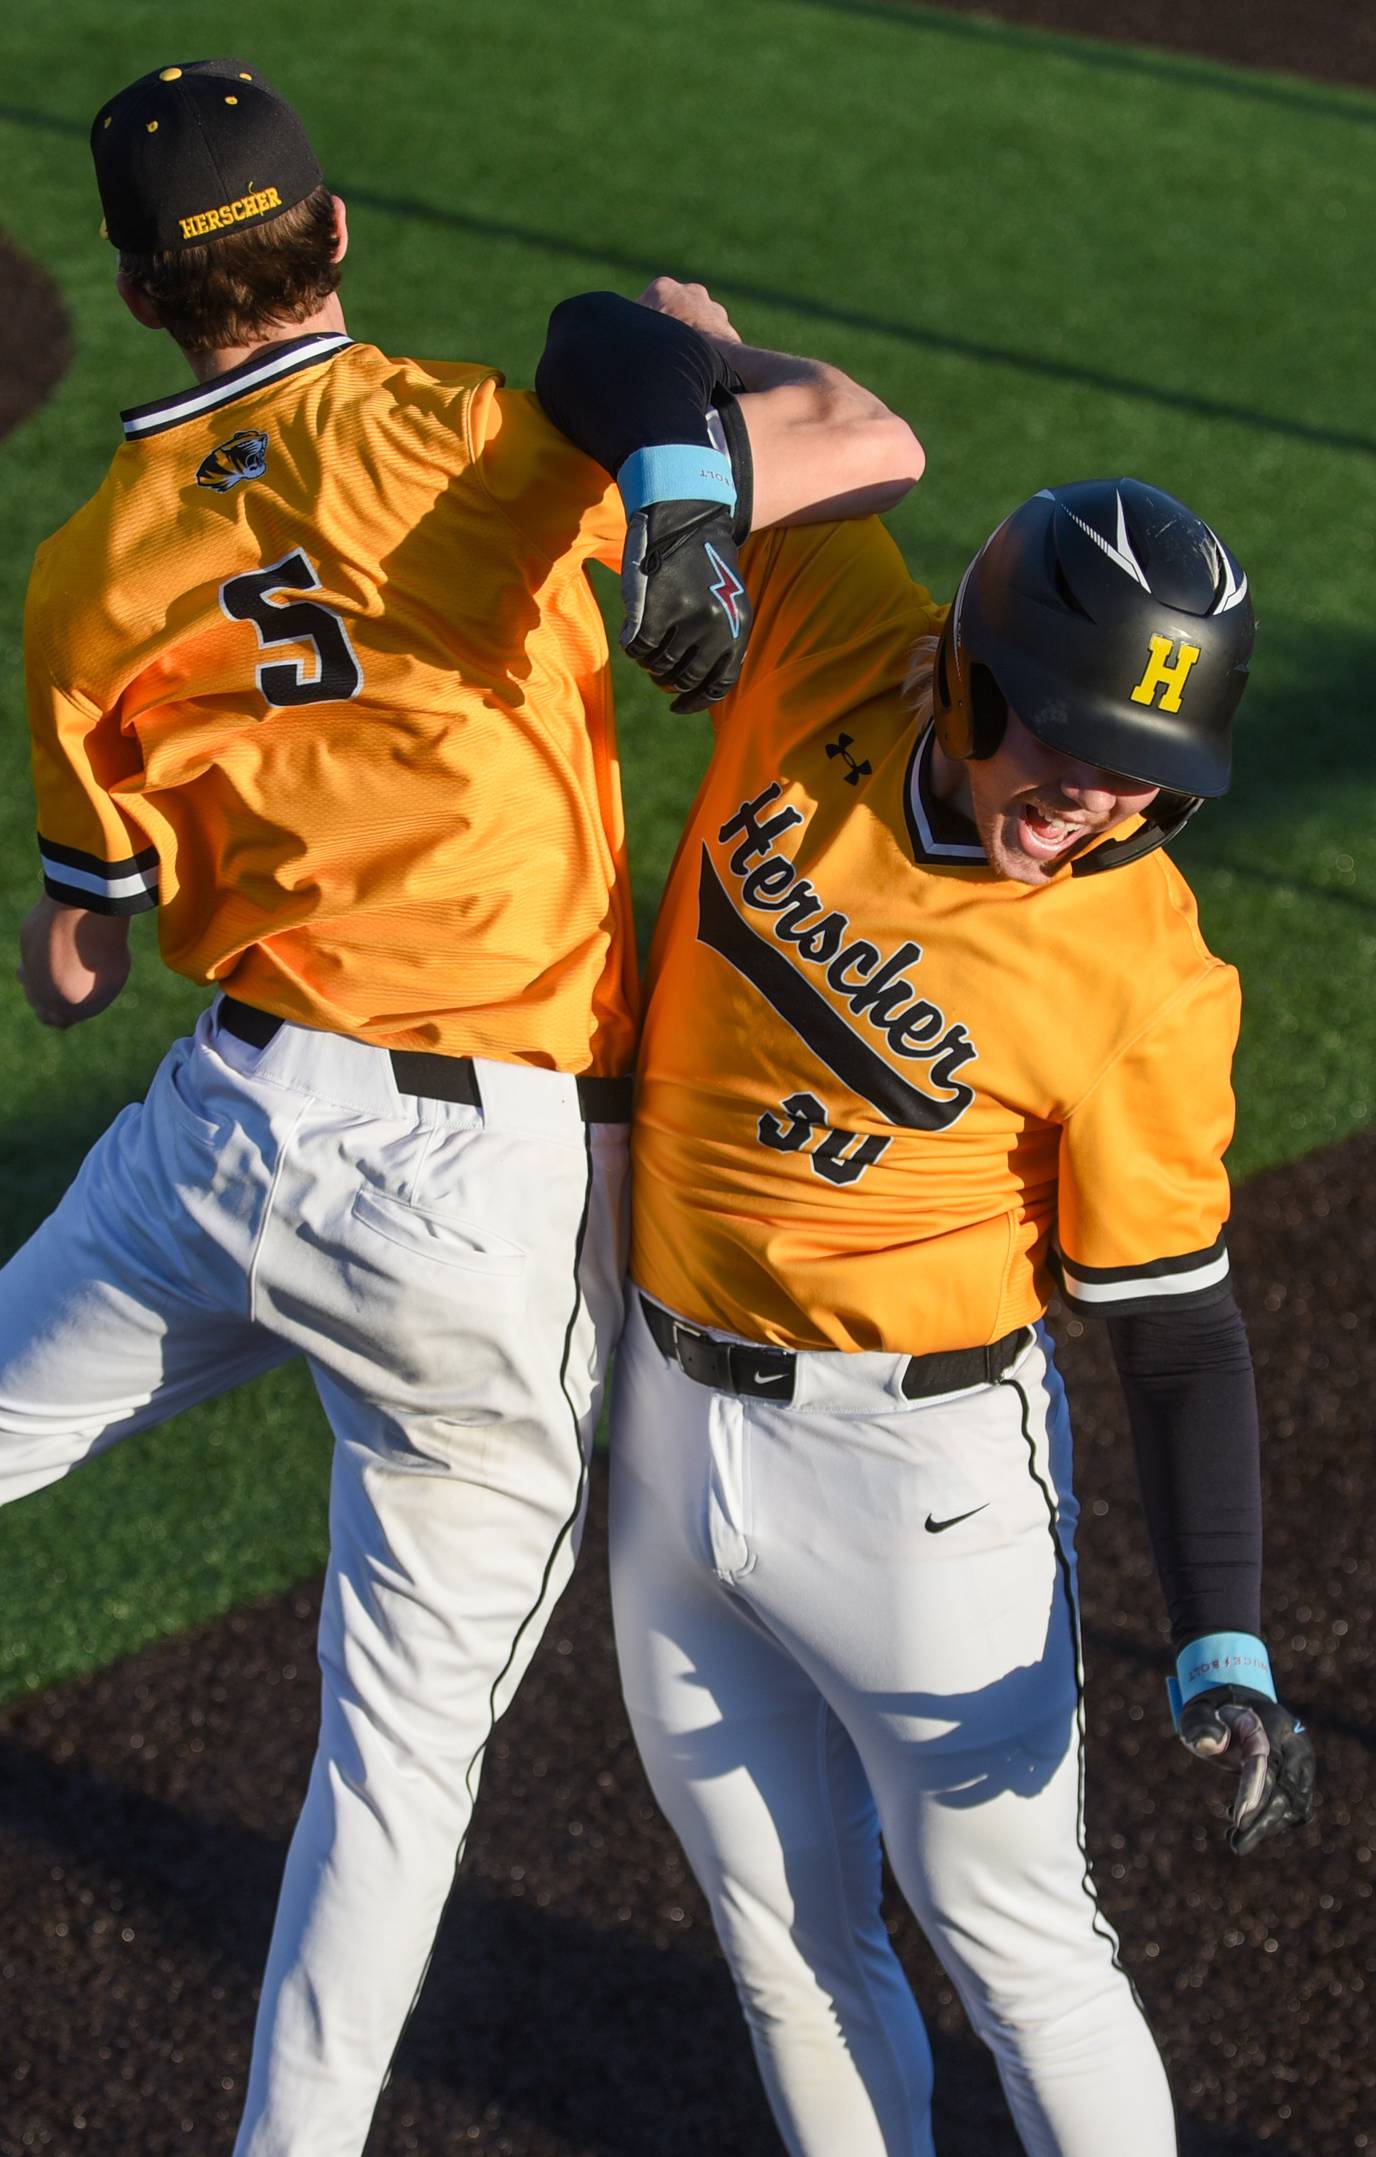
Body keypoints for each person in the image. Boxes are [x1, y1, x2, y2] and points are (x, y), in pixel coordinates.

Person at [0, 67, 921, 2157]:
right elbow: (870, 439)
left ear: (133, 291)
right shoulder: (491, 434)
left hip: (219, 1140)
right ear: (341, 228)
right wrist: (691, 382)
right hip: (477, 1185)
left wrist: (77, 935)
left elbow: (81, 942)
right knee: (388, 1766)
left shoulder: (85, 564)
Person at [539, 283, 1316, 2156]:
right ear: (969, 669)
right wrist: (690, 416)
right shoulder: (828, 622)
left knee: (1019, 1941)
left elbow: (1178, 1327)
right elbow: (596, 336)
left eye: (1145, 769)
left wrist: (1224, 1635)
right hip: (667, 1417)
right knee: (785, 1939)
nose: (1100, 794)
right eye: (1065, 737)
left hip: (924, 1487)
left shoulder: (1141, 972)